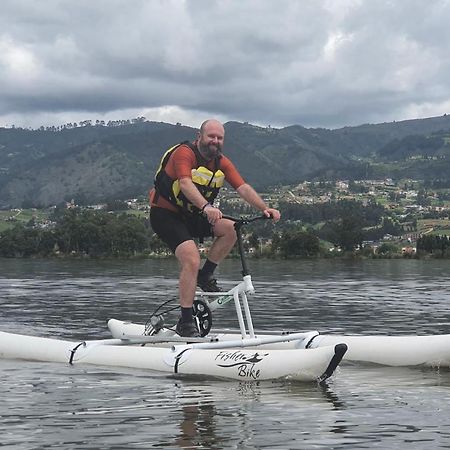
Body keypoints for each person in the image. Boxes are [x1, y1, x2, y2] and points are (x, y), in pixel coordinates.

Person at [149, 119, 281, 337]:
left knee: (231, 228)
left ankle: (205, 275)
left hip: (192, 215)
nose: (215, 141)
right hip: (166, 215)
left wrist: (265, 208)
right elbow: (184, 183)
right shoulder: (184, 153)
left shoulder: (222, 162)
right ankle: (185, 321)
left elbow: (243, 187)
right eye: (211, 136)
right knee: (191, 258)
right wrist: (206, 206)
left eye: (219, 138)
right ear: (199, 136)